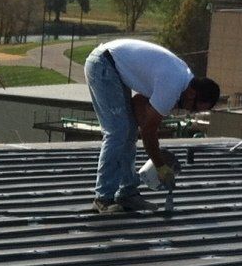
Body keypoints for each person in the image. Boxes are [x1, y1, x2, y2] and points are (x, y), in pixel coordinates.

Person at [81, 38, 223, 214]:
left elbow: (138, 103)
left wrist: (144, 124)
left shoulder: (183, 80)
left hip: (112, 65)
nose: (189, 111)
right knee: (118, 132)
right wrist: (160, 165)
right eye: (193, 107)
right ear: (192, 93)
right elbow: (149, 132)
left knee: (128, 130)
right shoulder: (173, 85)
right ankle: (103, 198)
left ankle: (127, 193)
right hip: (103, 64)